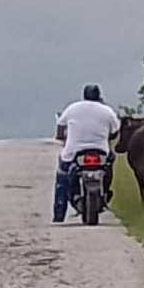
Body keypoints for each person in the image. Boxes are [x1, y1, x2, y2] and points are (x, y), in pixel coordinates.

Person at [53, 84, 120, 222]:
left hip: (74, 152)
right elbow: (115, 131)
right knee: (109, 165)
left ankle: (59, 213)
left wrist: (62, 138)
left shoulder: (72, 108)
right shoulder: (107, 111)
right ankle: (105, 192)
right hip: (101, 150)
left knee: (62, 175)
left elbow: (60, 127)